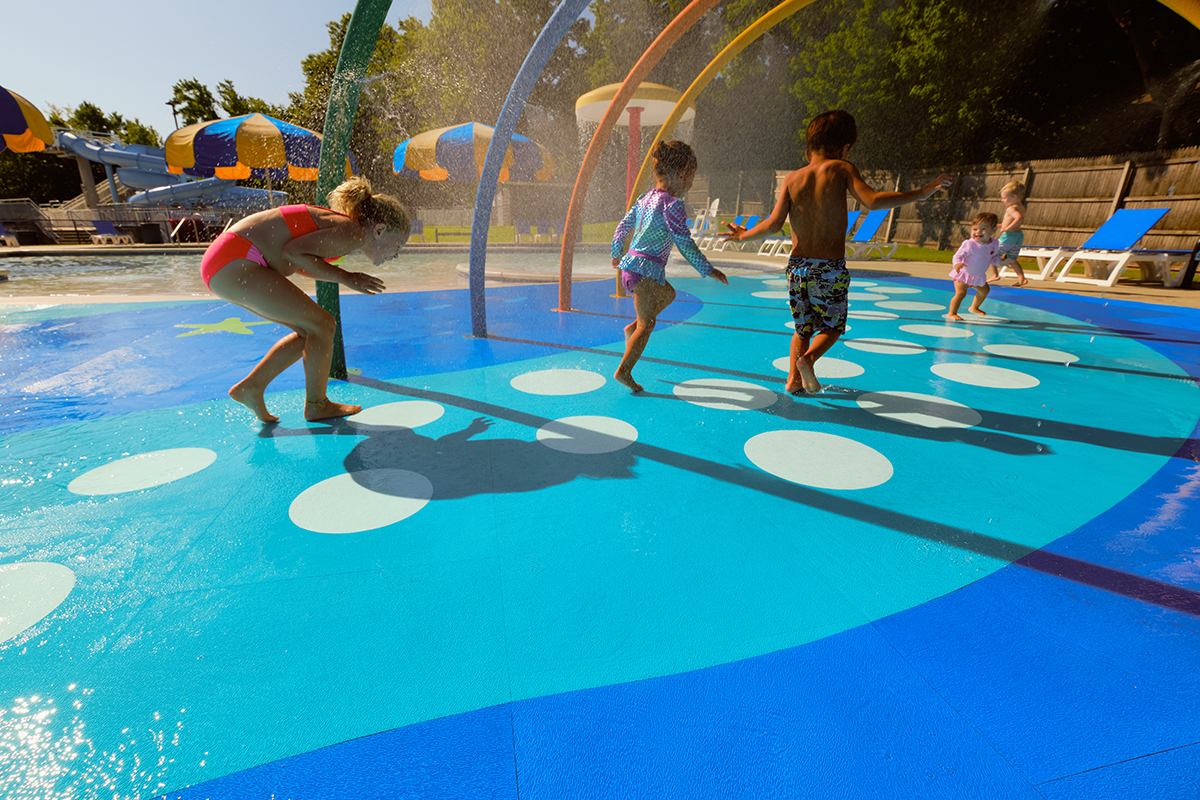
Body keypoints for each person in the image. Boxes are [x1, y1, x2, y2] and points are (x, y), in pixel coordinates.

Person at [722, 109, 952, 394]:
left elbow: (773, 224)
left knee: (802, 329)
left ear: (808, 152)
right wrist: (922, 191)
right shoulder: (842, 169)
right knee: (832, 327)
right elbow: (873, 201)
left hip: (797, 268)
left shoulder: (792, 178)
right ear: (845, 149)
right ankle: (808, 361)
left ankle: (792, 380)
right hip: (828, 268)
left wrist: (742, 235)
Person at [200, 176, 411, 423]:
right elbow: (293, 252)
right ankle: (317, 405)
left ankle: (251, 387)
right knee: (323, 324)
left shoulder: (342, 227)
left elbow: (296, 260)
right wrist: (347, 277)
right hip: (237, 260)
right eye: (398, 245)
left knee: (309, 332)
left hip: (225, 263)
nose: (396, 255)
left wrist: (344, 278)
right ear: (380, 229)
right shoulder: (353, 232)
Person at [611, 140, 728, 393]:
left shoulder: (644, 199)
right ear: (682, 174)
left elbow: (622, 227)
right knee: (648, 324)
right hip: (645, 270)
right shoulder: (672, 205)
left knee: (669, 294)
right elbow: (684, 242)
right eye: (692, 178)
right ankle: (625, 371)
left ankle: (632, 330)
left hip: (633, 267)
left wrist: (615, 253)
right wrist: (708, 269)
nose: (691, 184)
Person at [946, 212, 1005, 321]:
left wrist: (1001, 262)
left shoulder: (994, 244)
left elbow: (993, 257)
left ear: (993, 230)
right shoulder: (969, 244)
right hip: (963, 274)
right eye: (975, 229)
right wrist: (957, 264)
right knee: (961, 293)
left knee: (984, 291)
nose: (978, 232)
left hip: (977, 276)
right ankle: (951, 313)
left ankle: (974, 307)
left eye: (983, 229)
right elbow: (958, 255)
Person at [997, 180, 1028, 286]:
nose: (1002, 200)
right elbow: (1016, 221)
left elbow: (1018, 219)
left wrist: (1007, 228)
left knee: (991, 254)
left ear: (1014, 197)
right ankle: (1021, 278)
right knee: (1012, 259)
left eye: (1004, 198)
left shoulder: (1011, 208)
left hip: (1009, 237)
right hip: (1018, 236)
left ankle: (994, 275)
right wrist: (1001, 226)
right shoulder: (1021, 207)